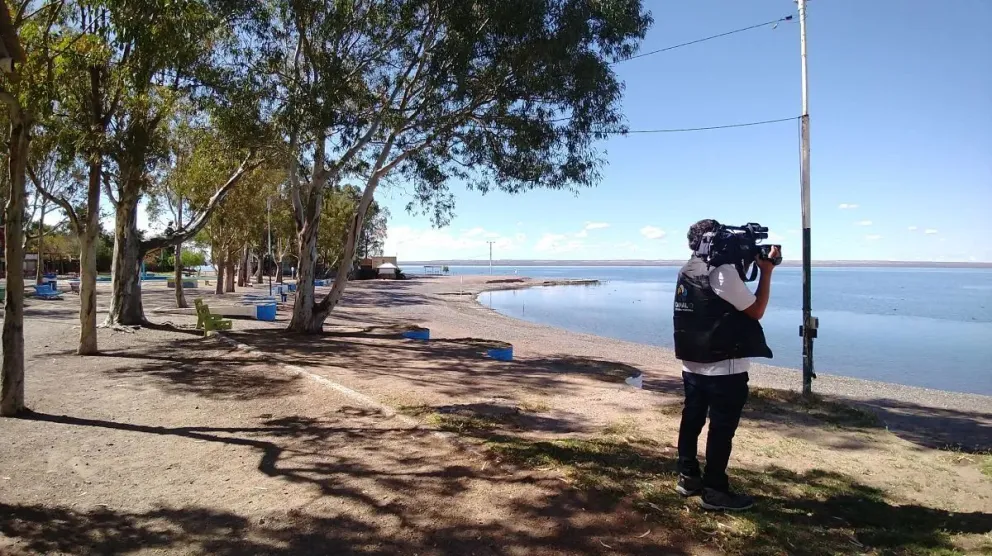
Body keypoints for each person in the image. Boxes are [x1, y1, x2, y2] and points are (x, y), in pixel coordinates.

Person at [672, 219, 780, 511]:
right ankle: (715, 490)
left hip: (692, 362)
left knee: (692, 419)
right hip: (724, 366)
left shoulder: (688, 269)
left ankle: (688, 476)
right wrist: (766, 272)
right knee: (721, 428)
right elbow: (755, 310)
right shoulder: (722, 272)